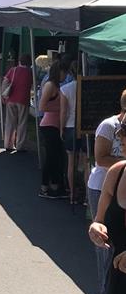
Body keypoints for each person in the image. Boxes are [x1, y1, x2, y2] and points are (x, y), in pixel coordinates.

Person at [87, 90, 126, 294]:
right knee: (107, 244)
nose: (121, 137)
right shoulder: (108, 125)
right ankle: (106, 287)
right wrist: (96, 224)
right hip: (101, 187)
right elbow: (100, 158)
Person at [38, 60, 68, 199]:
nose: (65, 75)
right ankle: (45, 187)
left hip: (54, 125)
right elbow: (42, 107)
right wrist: (61, 108)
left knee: (56, 158)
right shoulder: (50, 85)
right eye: (64, 72)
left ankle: (55, 185)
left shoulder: (57, 85)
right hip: (49, 125)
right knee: (51, 158)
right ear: (59, 71)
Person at [60, 62, 81, 203]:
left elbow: (63, 112)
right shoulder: (88, 87)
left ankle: (72, 193)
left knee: (71, 161)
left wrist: (61, 128)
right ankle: (86, 196)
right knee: (85, 161)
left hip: (70, 126)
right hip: (86, 125)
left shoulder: (65, 89)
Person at [3, 54, 33, 152]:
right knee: (22, 123)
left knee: (10, 122)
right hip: (23, 99)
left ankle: (8, 144)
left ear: (19, 61)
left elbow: (5, 81)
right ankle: (20, 145)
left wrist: (3, 95)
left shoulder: (13, 70)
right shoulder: (30, 72)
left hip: (11, 98)